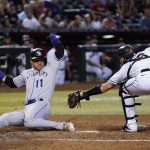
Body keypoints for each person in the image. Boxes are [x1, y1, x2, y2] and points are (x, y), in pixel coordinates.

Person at [0, 34, 75, 131]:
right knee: (5, 117)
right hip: (28, 108)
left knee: (29, 121)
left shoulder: (51, 67)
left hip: (42, 105)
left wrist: (53, 37)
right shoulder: (26, 73)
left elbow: (60, 50)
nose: (39, 62)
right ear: (31, 61)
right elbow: (11, 83)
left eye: (42, 60)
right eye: (36, 60)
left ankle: (62, 125)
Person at [69, 45, 150, 132]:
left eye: (120, 57)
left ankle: (131, 125)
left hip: (143, 82)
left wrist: (84, 94)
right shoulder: (146, 52)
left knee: (124, 89)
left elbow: (106, 86)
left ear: (123, 57)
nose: (120, 59)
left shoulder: (126, 67)